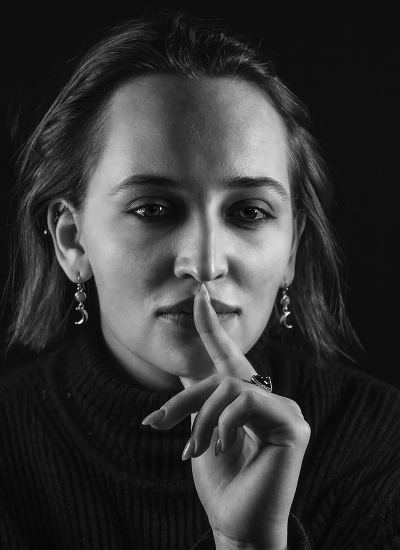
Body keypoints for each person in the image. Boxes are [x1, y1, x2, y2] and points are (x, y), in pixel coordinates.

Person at [1, 9, 399, 550]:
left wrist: (249, 542)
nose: (206, 264)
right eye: (153, 209)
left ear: (291, 249)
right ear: (72, 241)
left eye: (249, 212)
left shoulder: (380, 442)